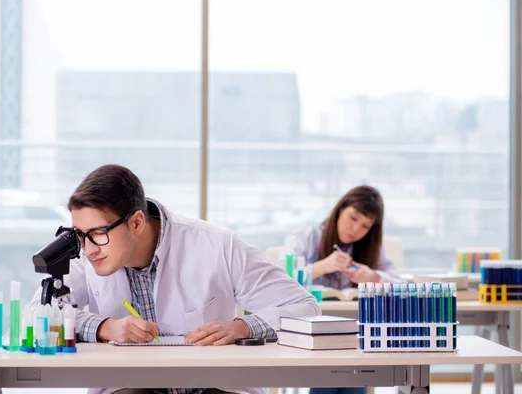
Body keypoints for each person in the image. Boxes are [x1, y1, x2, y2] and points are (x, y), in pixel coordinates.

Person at [29, 164, 320, 394]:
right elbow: (36, 316)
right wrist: (106, 327)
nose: (88, 247)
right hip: (130, 385)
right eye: (80, 234)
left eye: (98, 233)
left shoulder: (217, 244)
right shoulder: (87, 253)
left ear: (137, 222)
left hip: (215, 384)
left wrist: (242, 327)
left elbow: (304, 306)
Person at [291, 185, 402, 394]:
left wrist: (374, 276)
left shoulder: (372, 248)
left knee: (353, 369)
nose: (356, 230)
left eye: (365, 226)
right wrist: (321, 267)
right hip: (313, 331)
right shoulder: (306, 236)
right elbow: (281, 279)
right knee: (330, 372)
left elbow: (401, 284)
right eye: (353, 218)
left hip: (356, 332)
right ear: (340, 209)